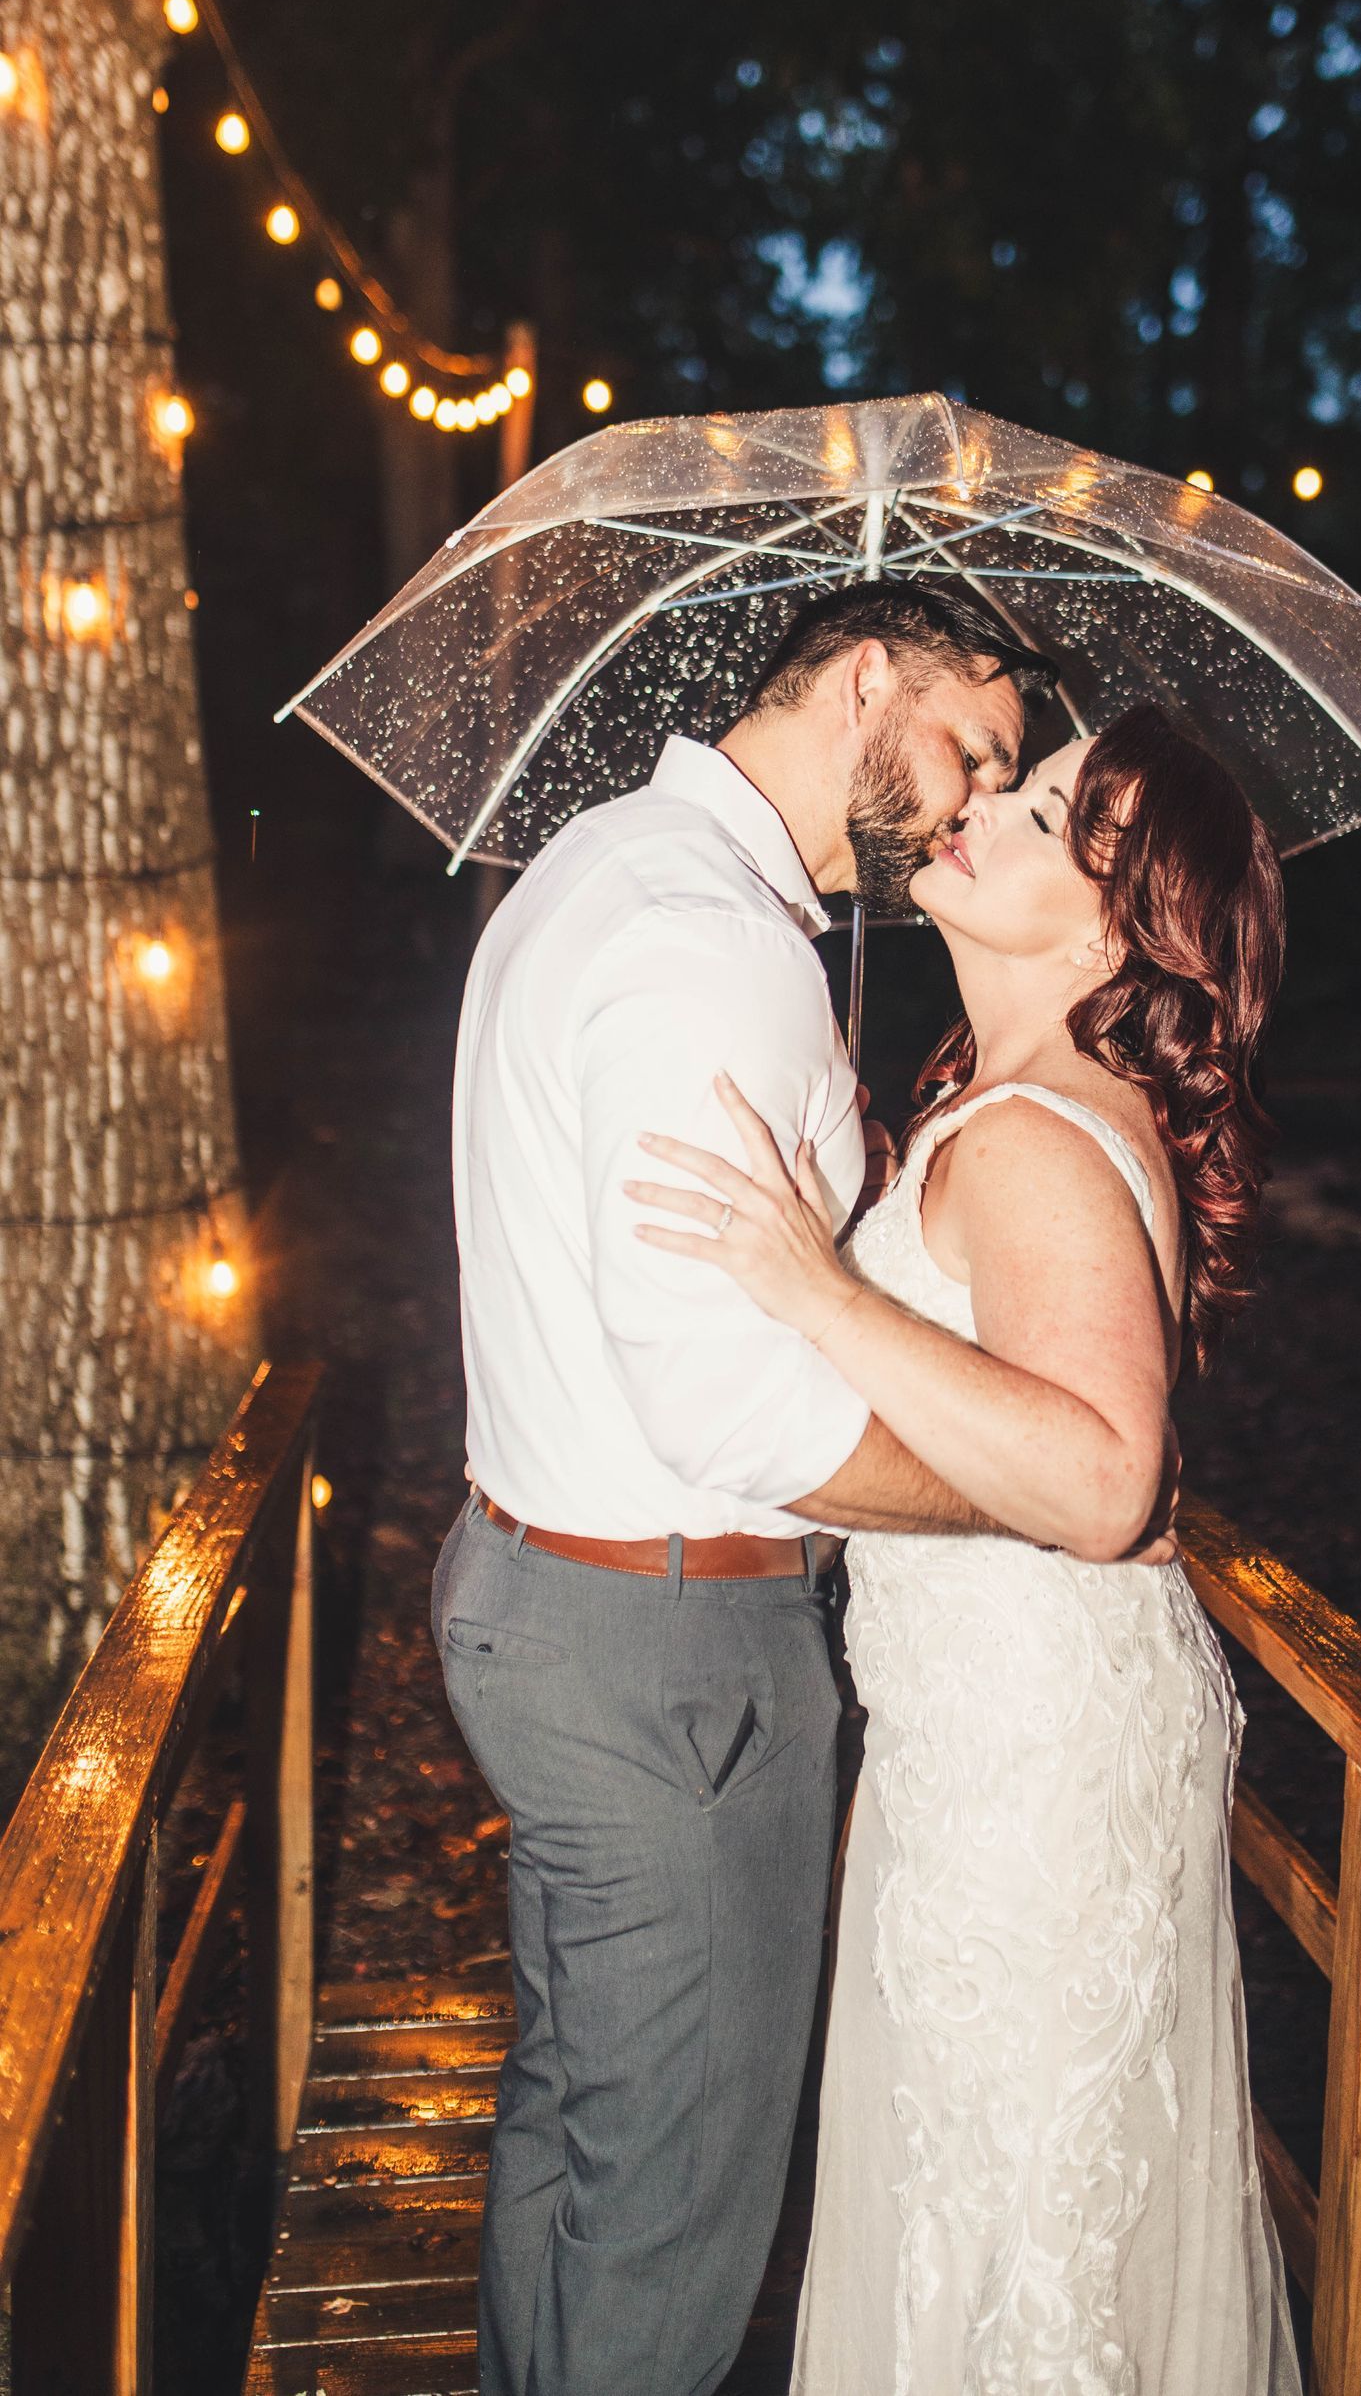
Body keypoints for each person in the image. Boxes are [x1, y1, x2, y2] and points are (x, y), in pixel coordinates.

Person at [627, 703, 1303, 2396]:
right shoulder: (1004, 1102)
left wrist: (828, 1289)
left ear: (1110, 919)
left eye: (1055, 804)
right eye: (1021, 773)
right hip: (992, 1732)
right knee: (984, 2208)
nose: (992, 797)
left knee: (1011, 2228)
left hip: (1036, 1759)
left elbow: (1102, 1483)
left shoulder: (1031, 1136)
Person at [433, 580, 1055, 2396]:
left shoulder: (609, 869)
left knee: (578, 2140)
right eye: (971, 748)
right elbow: (730, 1407)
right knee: (672, 2208)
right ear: (868, 677)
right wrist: (1007, 1494)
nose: (966, 803)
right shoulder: (708, 941)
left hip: (561, 1600)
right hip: (672, 1644)